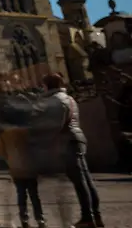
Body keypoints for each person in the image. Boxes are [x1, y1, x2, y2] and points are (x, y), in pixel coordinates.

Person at [43, 73, 103, 228]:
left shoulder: (56, 100)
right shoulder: (69, 98)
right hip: (77, 138)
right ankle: (95, 216)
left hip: (68, 141)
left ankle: (87, 218)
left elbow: (56, 125)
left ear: (48, 85)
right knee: (86, 180)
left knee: (80, 181)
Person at [0, 126, 44, 228]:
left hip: (16, 170)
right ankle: (40, 219)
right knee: (34, 195)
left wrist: (10, 162)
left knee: (21, 195)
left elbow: (2, 153)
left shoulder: (5, 134)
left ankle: (24, 219)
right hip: (30, 168)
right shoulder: (28, 131)